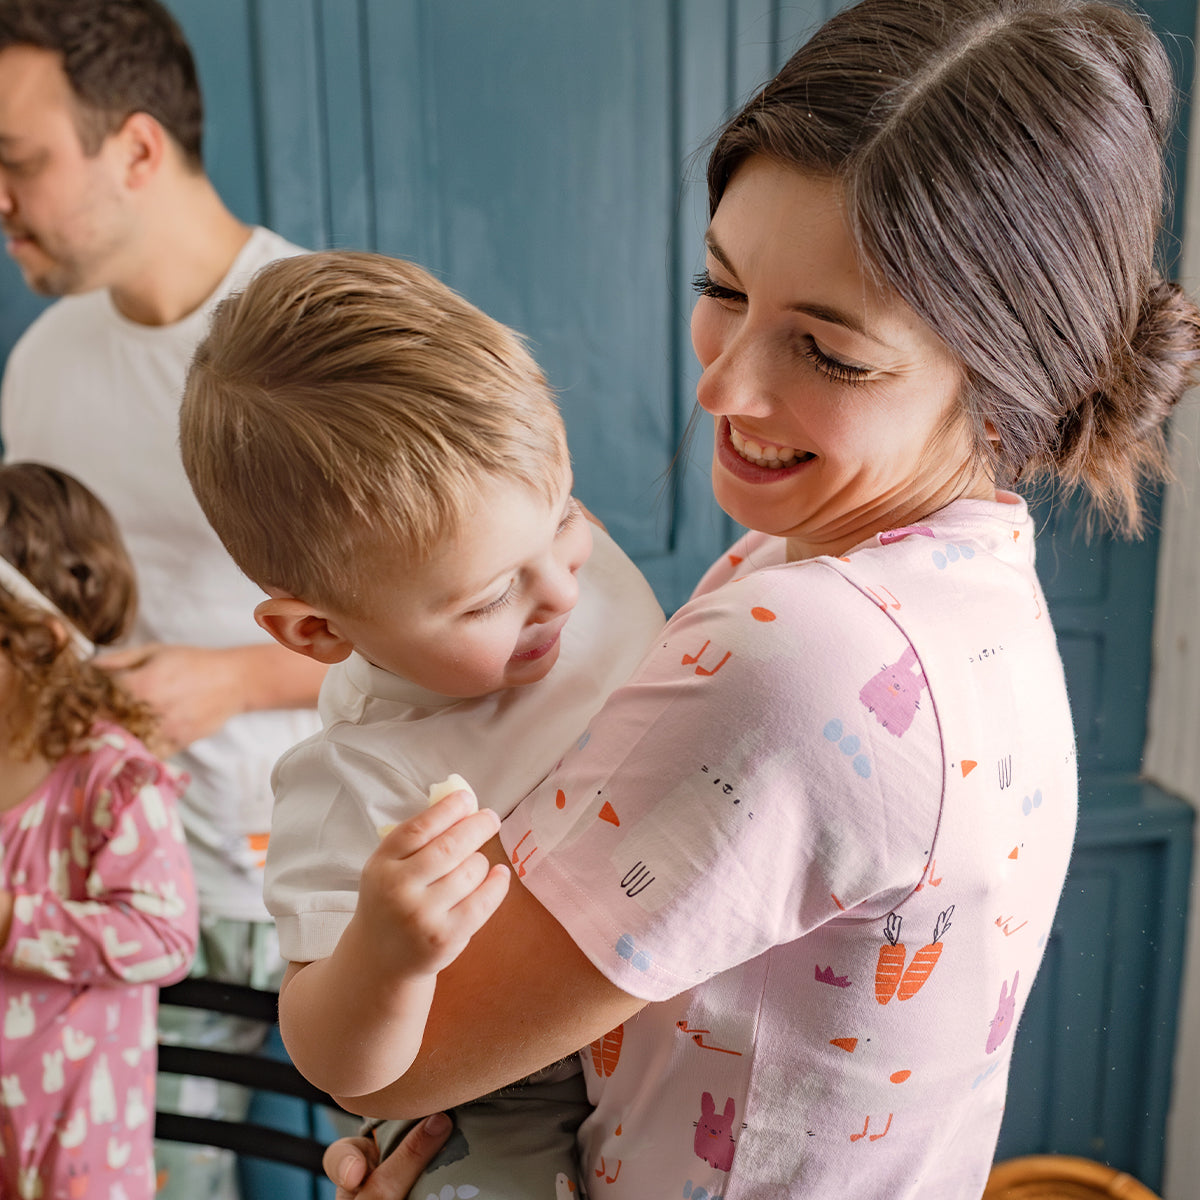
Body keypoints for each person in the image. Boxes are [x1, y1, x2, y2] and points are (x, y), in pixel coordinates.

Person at [321, 0, 1200, 1196]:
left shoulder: (809, 653)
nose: (725, 388)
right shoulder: (968, 590)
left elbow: (397, 1059)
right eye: (723, 286)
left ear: (1010, 382)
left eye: (830, 352)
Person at [178, 250, 667, 1197]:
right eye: (488, 599)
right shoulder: (357, 780)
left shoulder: (535, 551)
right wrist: (386, 956)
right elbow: (333, 1060)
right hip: (498, 1087)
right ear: (317, 632)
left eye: (564, 518)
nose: (565, 591)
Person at [0, 1, 326, 1193]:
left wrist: (235, 679)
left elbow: (501, 629)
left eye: (18, 161)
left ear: (136, 147)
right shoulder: (44, 359)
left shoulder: (325, 338)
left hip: (328, 899)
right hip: (118, 894)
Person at [0, 461, 199, 1200]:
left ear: (41, 638)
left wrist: (9, 920)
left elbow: (163, 937)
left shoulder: (111, 779)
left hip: (72, 1157)